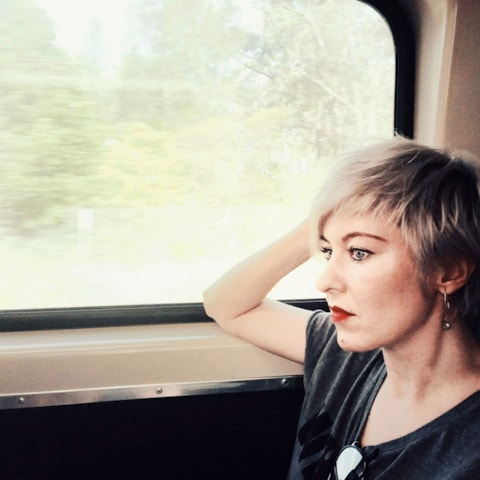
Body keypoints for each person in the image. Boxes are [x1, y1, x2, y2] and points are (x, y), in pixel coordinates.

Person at [203, 136, 480, 479]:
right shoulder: (345, 353)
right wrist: (327, 216)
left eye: (359, 252)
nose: (324, 282)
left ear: (448, 272)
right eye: (327, 252)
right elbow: (224, 304)